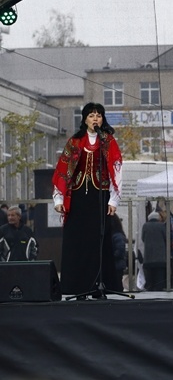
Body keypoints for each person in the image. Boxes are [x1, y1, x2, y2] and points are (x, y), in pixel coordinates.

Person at [52, 102, 122, 297]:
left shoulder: (107, 141)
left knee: (98, 241)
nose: (95, 119)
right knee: (78, 242)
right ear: (84, 119)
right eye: (91, 115)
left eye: (99, 115)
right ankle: (77, 287)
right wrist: (58, 199)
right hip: (77, 197)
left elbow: (116, 169)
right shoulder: (75, 142)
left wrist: (113, 201)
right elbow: (63, 170)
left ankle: (99, 285)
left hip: (99, 196)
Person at [141, 210, 167, 291]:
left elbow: (142, 238)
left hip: (148, 257)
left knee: (150, 280)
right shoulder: (162, 225)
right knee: (159, 280)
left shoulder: (145, 226)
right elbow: (167, 238)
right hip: (160, 258)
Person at [110, 215, 127, 292]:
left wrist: (110, 256)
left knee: (117, 285)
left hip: (116, 265)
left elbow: (120, 250)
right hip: (117, 265)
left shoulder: (116, 235)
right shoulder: (118, 235)